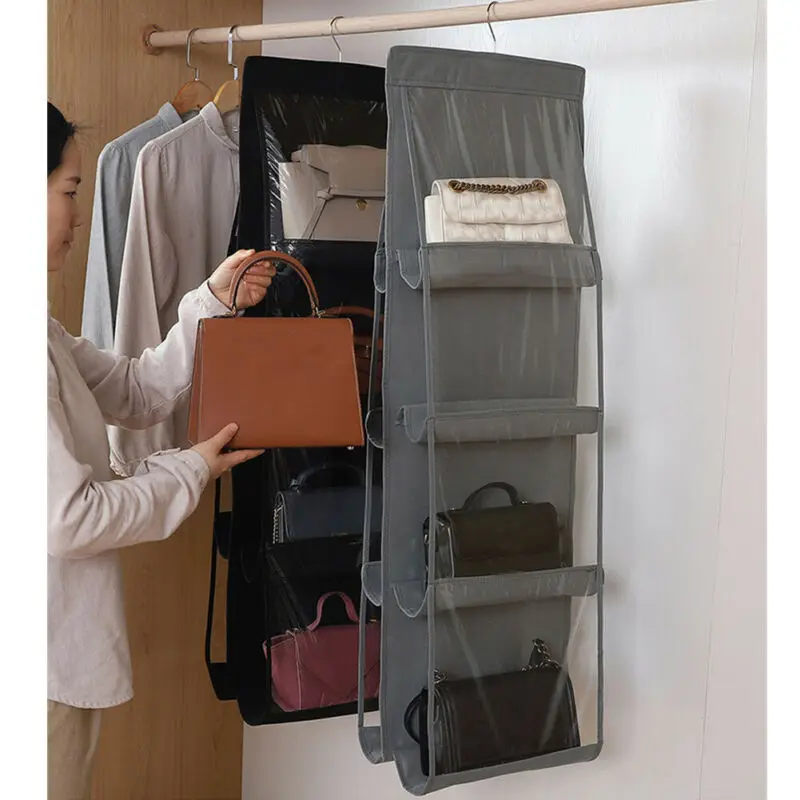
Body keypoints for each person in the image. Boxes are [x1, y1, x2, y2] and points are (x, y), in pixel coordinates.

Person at [46, 101, 272, 800]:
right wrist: (188, 469)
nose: (78, 217)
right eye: (69, 192)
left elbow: (135, 389)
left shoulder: (39, 333)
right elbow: (69, 519)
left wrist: (212, 299)